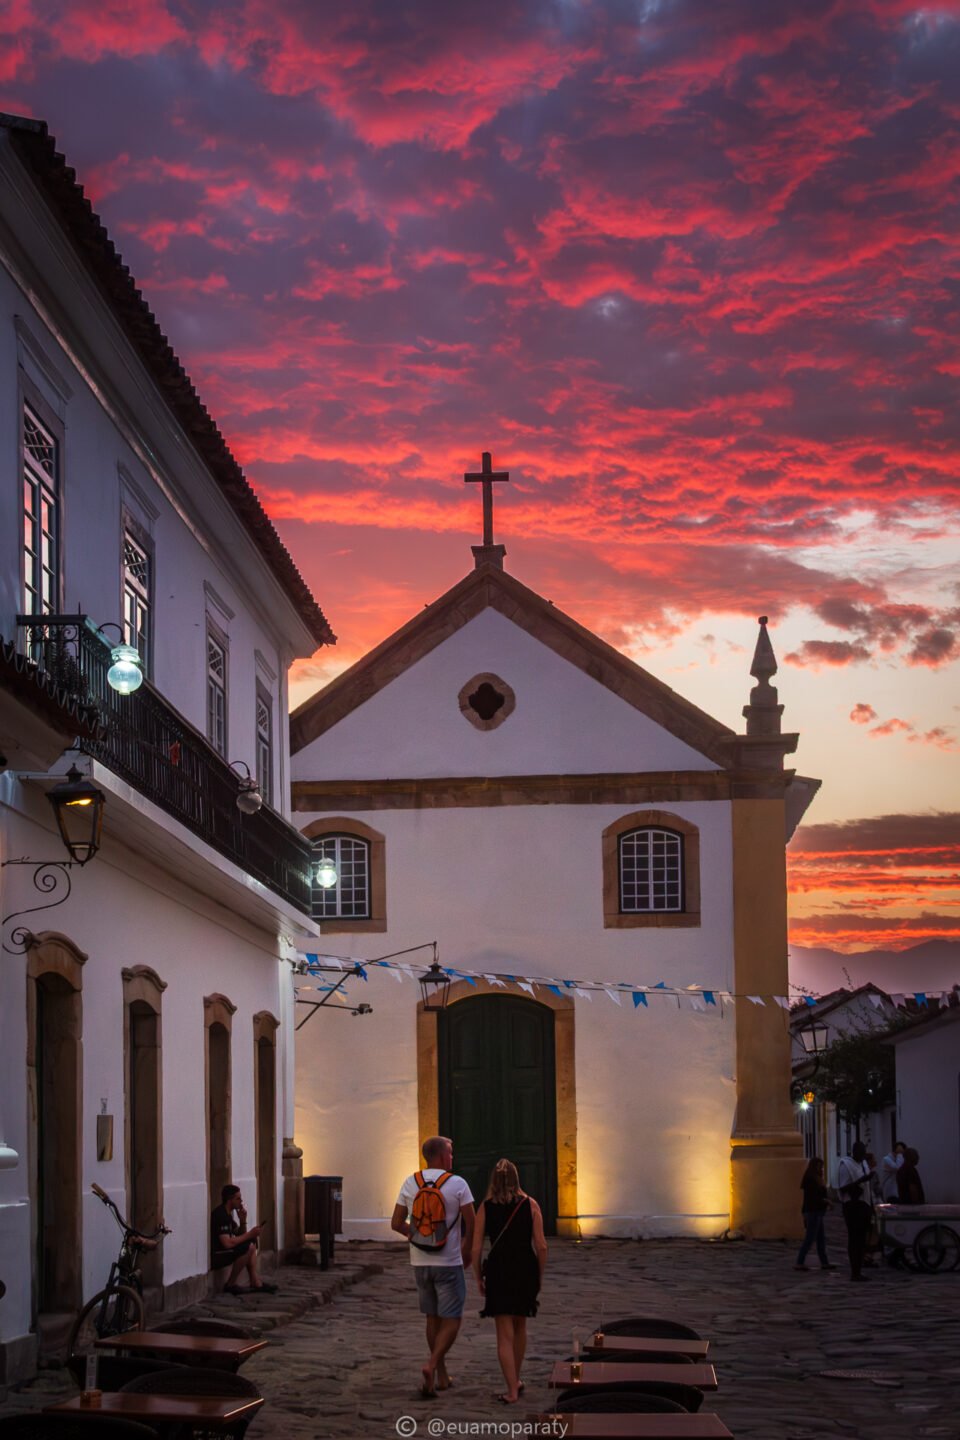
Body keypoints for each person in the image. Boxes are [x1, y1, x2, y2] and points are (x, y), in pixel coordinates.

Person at [392, 1136, 475, 1399]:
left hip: (420, 1261)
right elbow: (471, 1222)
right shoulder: (458, 1184)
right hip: (448, 1262)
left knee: (432, 1318)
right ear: (441, 1156)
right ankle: (431, 1365)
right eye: (450, 1153)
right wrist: (466, 1248)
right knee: (452, 1318)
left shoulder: (410, 1182)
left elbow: (395, 1223)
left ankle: (440, 1375)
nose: (452, 1158)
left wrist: (418, 1238)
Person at [471, 1159, 548, 1404]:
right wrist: (539, 1274)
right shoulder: (530, 1205)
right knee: (520, 1327)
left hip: (498, 1271)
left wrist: (477, 1277)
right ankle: (516, 1379)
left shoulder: (485, 1207)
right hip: (524, 1268)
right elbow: (542, 1245)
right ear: (517, 1178)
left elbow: (475, 1248)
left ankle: (511, 1389)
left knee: (504, 1334)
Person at [210, 1184, 277, 1294]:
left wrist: (243, 1221)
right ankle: (231, 1284)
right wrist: (250, 1234)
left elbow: (240, 1234)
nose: (241, 1201)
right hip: (218, 1254)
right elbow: (227, 1243)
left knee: (251, 1242)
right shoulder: (220, 1214)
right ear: (229, 1199)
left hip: (226, 1251)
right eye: (238, 1198)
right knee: (248, 1246)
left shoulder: (228, 1215)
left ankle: (254, 1281)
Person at [836, 1142, 874, 1282]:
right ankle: (855, 1272)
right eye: (861, 1152)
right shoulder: (846, 1165)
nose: (863, 1155)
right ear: (855, 1151)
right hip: (852, 1206)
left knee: (861, 1240)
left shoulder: (863, 1164)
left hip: (864, 1205)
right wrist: (862, 1180)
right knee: (854, 1239)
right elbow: (843, 1188)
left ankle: (859, 1269)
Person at [794, 1157, 834, 1271]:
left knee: (821, 1238)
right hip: (813, 1211)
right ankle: (799, 1261)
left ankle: (824, 1262)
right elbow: (813, 1197)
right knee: (810, 1238)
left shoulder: (815, 1178)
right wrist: (826, 1201)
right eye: (820, 1166)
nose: (822, 1169)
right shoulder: (811, 1179)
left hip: (817, 1211)